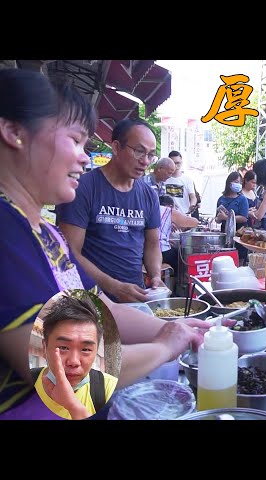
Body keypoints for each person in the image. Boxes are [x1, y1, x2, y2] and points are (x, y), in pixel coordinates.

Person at [0, 69, 208, 419]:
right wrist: (162, 347)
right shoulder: (7, 231)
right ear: (14, 132)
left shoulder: (46, 235)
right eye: (75, 139)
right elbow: (66, 376)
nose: (84, 157)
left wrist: (177, 329)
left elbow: (101, 309)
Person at [57, 118, 167, 303]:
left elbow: (153, 244)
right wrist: (113, 286)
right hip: (90, 300)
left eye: (151, 155)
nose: (145, 161)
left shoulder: (149, 195)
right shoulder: (83, 188)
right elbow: (70, 253)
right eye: (139, 151)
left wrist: (155, 275)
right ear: (116, 147)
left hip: (136, 297)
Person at [33, 292, 118, 420]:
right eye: (63, 347)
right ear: (44, 348)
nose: (73, 362)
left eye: (85, 349)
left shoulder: (110, 389)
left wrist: (74, 406)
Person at [159, 195, 199, 276]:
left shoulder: (151, 209)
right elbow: (194, 222)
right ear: (170, 206)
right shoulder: (168, 211)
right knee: (181, 259)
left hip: (143, 251)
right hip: (160, 252)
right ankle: (178, 283)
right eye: (175, 207)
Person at [167, 150, 197, 215]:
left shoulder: (187, 180)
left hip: (184, 215)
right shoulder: (164, 179)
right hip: (167, 216)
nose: (176, 165)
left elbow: (193, 197)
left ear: (181, 163)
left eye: (178, 163)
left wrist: (192, 205)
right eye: (173, 163)